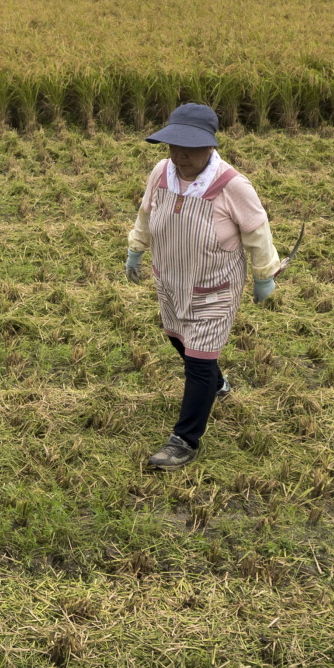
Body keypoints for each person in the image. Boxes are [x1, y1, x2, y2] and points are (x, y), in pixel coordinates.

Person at [124, 103, 281, 470]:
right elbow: (146, 213)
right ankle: (218, 385)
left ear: (210, 146)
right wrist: (135, 250)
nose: (179, 155)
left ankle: (184, 440)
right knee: (178, 338)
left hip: (214, 287)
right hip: (172, 281)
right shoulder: (161, 173)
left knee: (197, 362)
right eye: (172, 146)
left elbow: (257, 232)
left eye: (189, 148)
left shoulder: (231, 186)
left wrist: (264, 276)